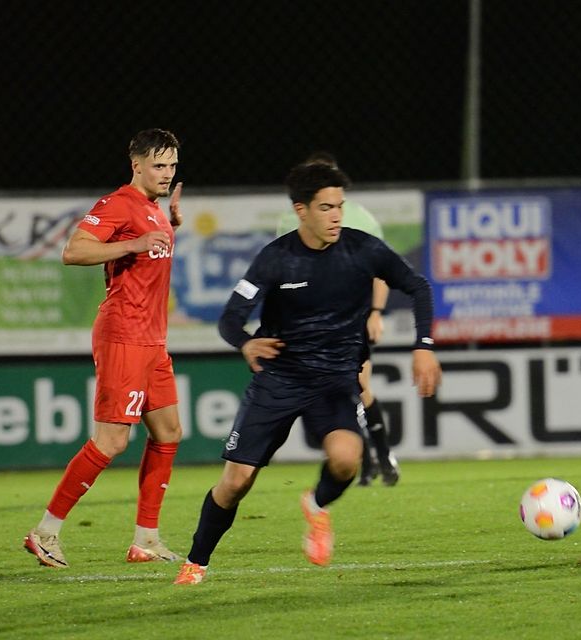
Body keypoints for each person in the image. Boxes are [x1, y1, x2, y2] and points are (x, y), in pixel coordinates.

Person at [173, 161, 441, 585]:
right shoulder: (276, 259)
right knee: (236, 482)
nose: (336, 216)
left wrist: (423, 346)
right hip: (279, 379)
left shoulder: (363, 249)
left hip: (335, 380)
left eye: (340, 206)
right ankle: (196, 561)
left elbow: (419, 286)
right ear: (301, 210)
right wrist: (245, 342)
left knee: (346, 460)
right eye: (326, 208)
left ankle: (316, 506)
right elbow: (230, 317)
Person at [24, 129, 184, 568]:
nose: (167, 173)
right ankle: (45, 532)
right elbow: (73, 251)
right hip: (124, 335)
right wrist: (134, 242)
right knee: (112, 440)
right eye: (158, 165)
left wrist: (169, 227)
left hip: (153, 340)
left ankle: (146, 540)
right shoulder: (118, 203)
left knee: (168, 432)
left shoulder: (154, 210)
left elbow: (147, 256)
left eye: (172, 165)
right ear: (136, 165)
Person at [276, 152, 400, 487]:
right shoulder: (289, 221)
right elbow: (282, 272)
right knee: (336, 392)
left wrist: (375, 312)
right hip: (308, 325)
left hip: (351, 317)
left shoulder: (360, 218)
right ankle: (367, 459)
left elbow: (381, 270)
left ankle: (381, 456)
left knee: (358, 385)